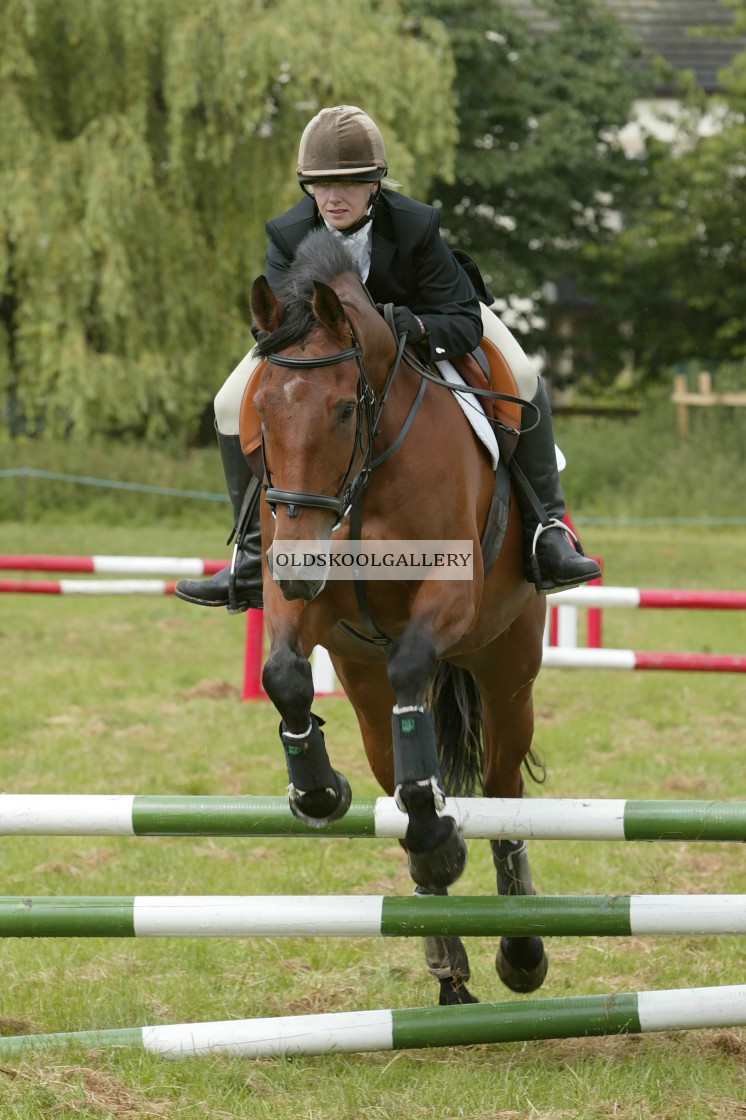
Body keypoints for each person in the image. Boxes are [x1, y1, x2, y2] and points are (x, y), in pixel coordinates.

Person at [175, 105, 600, 611]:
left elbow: (461, 318)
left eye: (348, 184)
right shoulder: (287, 233)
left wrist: (409, 326)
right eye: (319, 185)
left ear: (374, 183)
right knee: (228, 402)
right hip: (322, 350)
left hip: (426, 324)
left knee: (526, 374)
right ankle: (250, 556)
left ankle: (546, 530)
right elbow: (274, 320)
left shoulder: (416, 225)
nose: (332, 198)